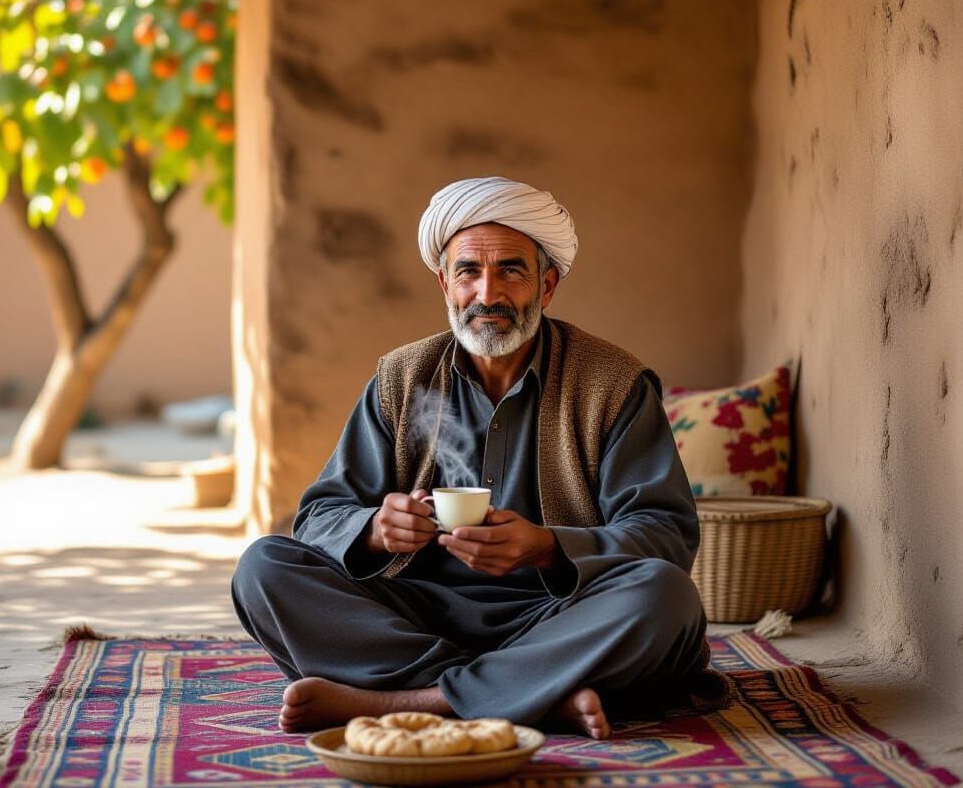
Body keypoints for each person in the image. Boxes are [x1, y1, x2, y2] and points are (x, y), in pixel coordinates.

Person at [232, 176, 711, 740]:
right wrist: (373, 530)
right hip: (417, 614)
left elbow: (665, 534)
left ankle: (409, 701)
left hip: (560, 616)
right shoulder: (401, 380)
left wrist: (547, 546)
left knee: (665, 597)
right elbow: (319, 516)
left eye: (511, 270)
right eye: (468, 272)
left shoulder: (612, 384)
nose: (488, 294)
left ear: (547, 285)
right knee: (264, 569)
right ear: (444, 283)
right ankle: (531, 695)